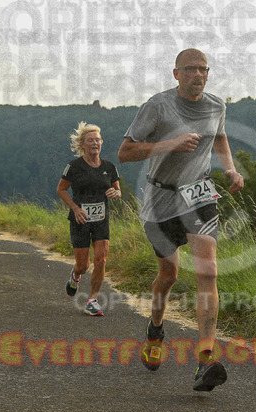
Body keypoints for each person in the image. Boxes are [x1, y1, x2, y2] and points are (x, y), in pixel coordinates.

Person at [118, 48, 244, 391]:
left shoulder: (216, 106)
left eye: (203, 69)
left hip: (198, 194)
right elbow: (125, 152)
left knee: (208, 271)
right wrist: (170, 144)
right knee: (169, 274)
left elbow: (219, 135)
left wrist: (229, 168)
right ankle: (155, 328)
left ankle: (206, 360)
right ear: (176, 74)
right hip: (161, 198)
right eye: (190, 69)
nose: (198, 75)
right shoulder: (158, 106)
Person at [57, 122, 121, 316]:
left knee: (101, 260)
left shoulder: (109, 167)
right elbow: (61, 189)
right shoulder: (74, 166)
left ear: (102, 143)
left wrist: (116, 193)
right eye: (90, 140)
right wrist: (76, 209)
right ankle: (75, 276)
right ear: (82, 144)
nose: (95, 143)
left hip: (101, 219)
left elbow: (117, 190)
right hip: (80, 220)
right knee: (83, 266)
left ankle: (92, 300)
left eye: (97, 140)